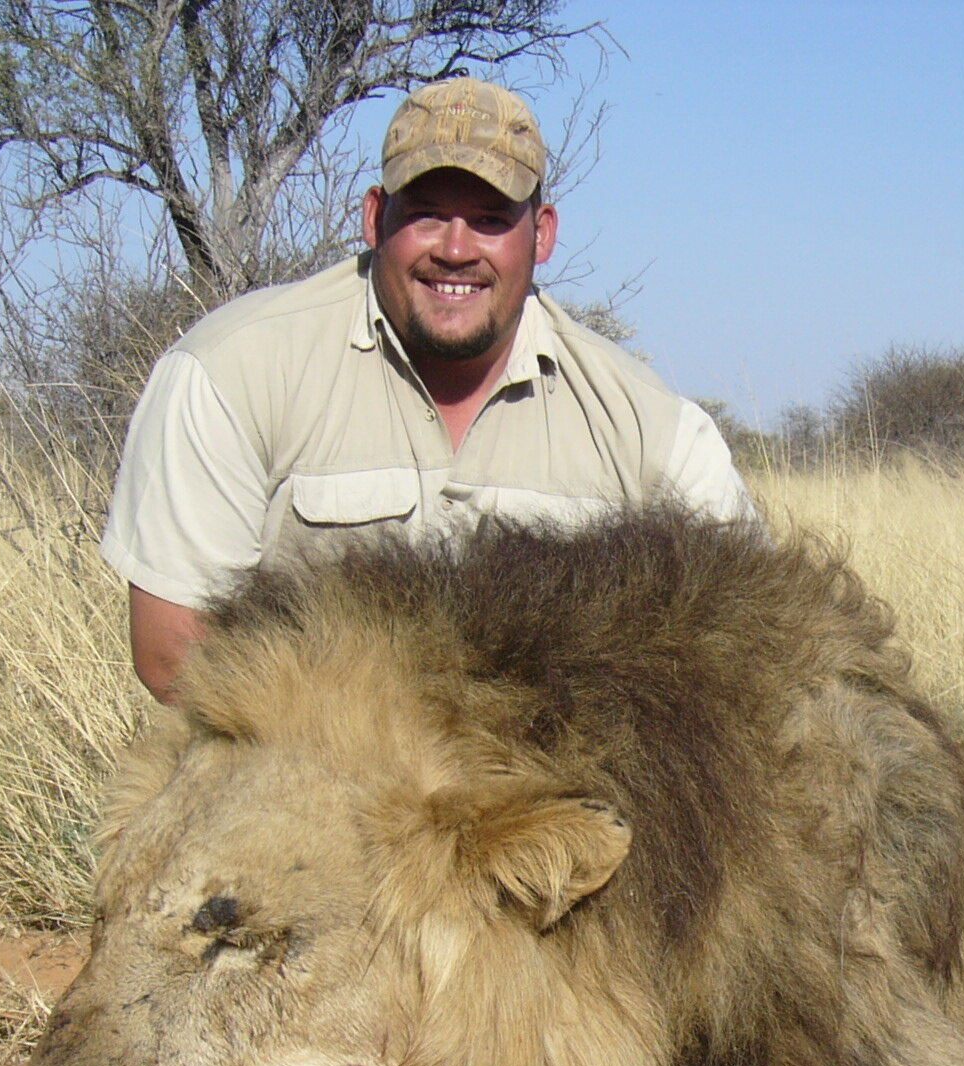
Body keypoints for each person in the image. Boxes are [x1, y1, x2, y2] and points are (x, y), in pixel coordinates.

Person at [100, 78, 757, 703]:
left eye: (491, 219)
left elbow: (753, 643)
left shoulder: (651, 425)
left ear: (543, 233)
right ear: (374, 217)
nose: (455, 248)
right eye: (426, 214)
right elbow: (171, 656)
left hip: (561, 785)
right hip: (311, 777)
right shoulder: (228, 369)